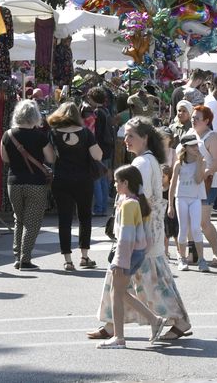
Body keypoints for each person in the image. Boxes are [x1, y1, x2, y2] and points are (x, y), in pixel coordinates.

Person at [89, 117, 192, 342]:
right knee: (145, 278)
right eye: (125, 135)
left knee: (146, 280)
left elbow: (138, 198)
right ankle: (110, 324)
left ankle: (175, 320)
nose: (126, 140)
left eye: (131, 136)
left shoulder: (142, 164)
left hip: (139, 232)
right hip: (146, 229)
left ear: (144, 138)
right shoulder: (149, 160)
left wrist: (131, 232)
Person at [97, 165, 167, 349]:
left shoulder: (129, 204)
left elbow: (126, 237)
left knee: (117, 294)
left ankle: (119, 337)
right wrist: (140, 252)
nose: (114, 185)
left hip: (127, 254)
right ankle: (154, 320)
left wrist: (120, 261)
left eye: (116, 182)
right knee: (119, 292)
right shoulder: (138, 202)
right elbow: (147, 236)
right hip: (136, 253)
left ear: (125, 183)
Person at [47, 102, 103, 271]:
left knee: (64, 219)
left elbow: (50, 158)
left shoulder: (53, 133)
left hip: (62, 179)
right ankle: (84, 257)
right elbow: (98, 155)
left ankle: (68, 260)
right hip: (83, 180)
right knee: (85, 218)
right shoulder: (86, 133)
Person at [1, 100, 55, 271]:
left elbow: (5, 158)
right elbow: (51, 159)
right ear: (35, 117)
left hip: (14, 182)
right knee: (32, 222)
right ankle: (25, 259)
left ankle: (17, 255)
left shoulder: (8, 135)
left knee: (19, 219)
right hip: (36, 183)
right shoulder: (40, 136)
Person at [168, 134, 209, 272]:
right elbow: (172, 184)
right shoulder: (179, 163)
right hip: (181, 198)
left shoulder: (201, 161)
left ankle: (201, 260)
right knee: (183, 229)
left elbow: (198, 180)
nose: (196, 148)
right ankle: (182, 258)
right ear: (185, 147)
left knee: (196, 228)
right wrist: (170, 204)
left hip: (195, 198)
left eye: (196, 145)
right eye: (192, 145)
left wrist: (199, 163)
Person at [192, 105, 217, 265]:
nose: (193, 120)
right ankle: (193, 255)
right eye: (193, 117)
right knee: (190, 220)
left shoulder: (212, 137)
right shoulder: (190, 134)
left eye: (197, 118)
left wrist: (204, 173)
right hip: (189, 184)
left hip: (208, 184)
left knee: (203, 222)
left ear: (206, 121)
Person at [87, 87, 114, 217]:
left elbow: (96, 133)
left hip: (100, 148)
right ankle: (102, 207)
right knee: (103, 178)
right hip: (107, 148)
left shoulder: (97, 112)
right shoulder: (106, 111)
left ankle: (99, 208)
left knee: (97, 178)